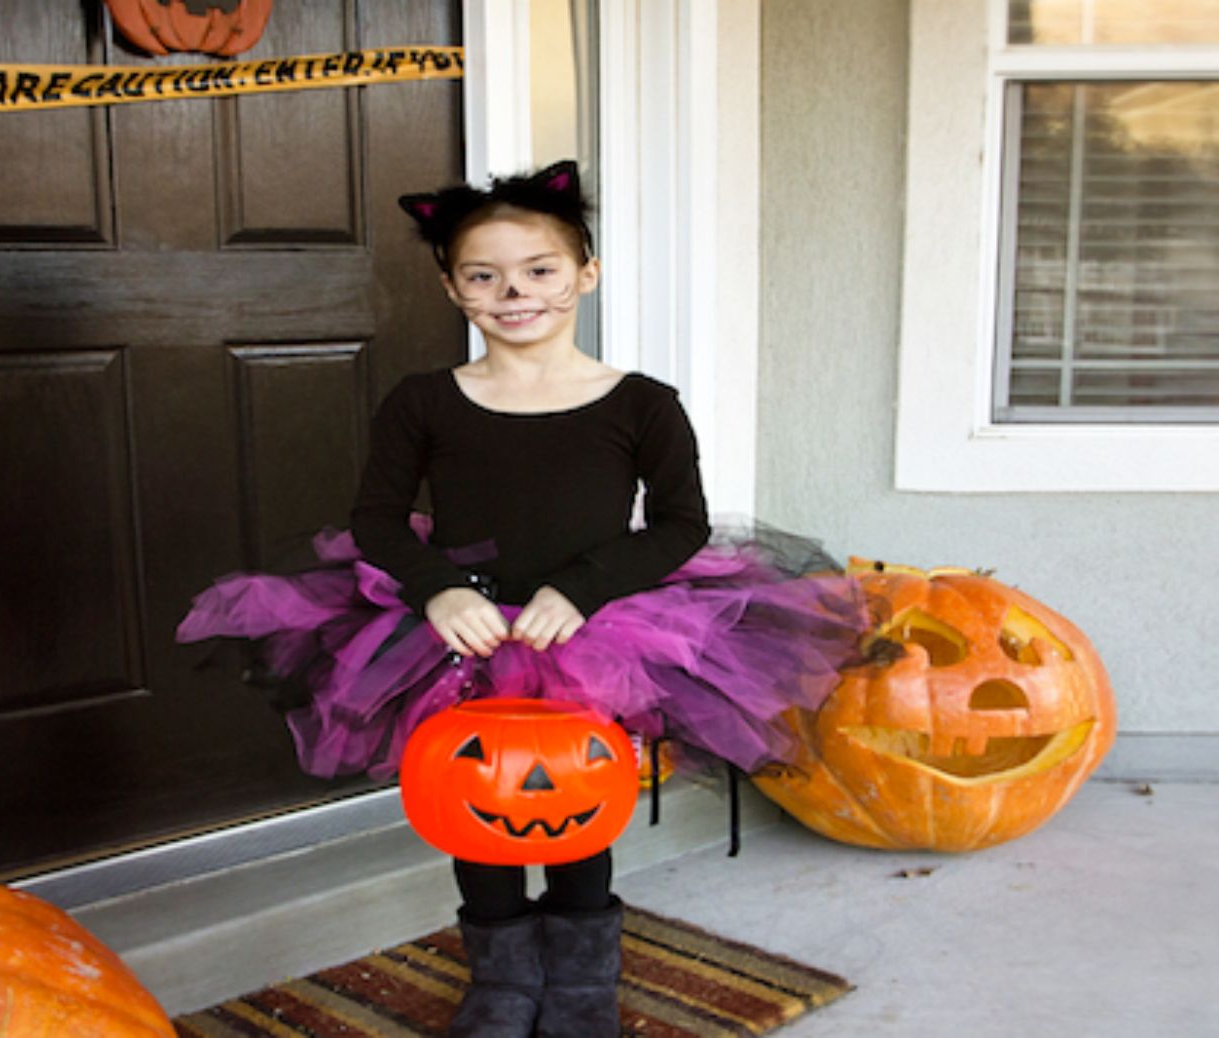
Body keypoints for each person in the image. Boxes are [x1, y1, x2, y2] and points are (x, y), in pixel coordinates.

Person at [177, 160, 868, 1038]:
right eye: (484, 275)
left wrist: (580, 590)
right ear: (451, 287)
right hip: (460, 631)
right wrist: (436, 590)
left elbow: (680, 526)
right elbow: (377, 520)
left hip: (597, 627)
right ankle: (502, 981)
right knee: (475, 803)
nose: (514, 292)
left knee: (575, 798)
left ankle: (582, 981)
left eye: (540, 270)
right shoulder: (426, 401)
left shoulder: (642, 405)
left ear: (586, 273)